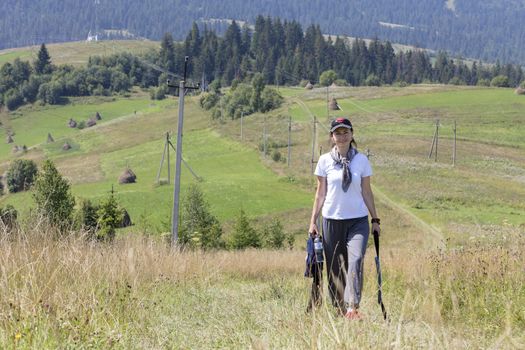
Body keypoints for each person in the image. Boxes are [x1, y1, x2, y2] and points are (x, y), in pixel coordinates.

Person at [308, 117, 380, 320]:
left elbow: (367, 192)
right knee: (334, 266)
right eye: (337, 132)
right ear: (332, 137)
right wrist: (313, 221)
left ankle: (352, 307)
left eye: (345, 131)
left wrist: (375, 220)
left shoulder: (362, 160)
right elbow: (320, 193)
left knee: (356, 260)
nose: (342, 136)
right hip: (331, 220)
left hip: (357, 220)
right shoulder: (324, 161)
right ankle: (338, 308)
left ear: (352, 134)